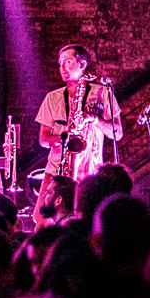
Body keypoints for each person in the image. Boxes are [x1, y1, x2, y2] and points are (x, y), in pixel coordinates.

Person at [33, 44, 123, 227]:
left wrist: (94, 120)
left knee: (89, 222)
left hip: (90, 171)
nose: (62, 68)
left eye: (67, 62)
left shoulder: (102, 94)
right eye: (60, 64)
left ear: (82, 65)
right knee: (41, 219)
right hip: (57, 169)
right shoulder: (52, 98)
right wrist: (65, 137)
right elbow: (43, 140)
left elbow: (118, 133)